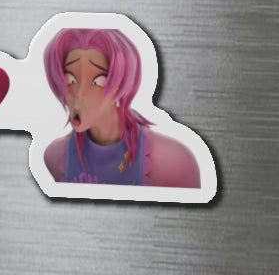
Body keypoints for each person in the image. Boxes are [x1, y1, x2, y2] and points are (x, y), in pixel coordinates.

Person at [42, 27, 200, 189]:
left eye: (97, 82)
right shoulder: (54, 158)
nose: (79, 94)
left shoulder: (174, 162)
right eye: (70, 80)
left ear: (121, 85)